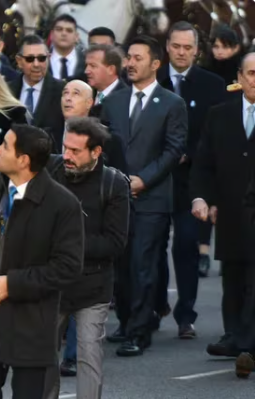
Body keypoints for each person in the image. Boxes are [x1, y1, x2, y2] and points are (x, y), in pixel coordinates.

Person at [0, 124, 84, 399]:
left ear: (24, 160)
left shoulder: (63, 204)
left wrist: (12, 284)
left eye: (5, 146)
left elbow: (68, 267)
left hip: (31, 321)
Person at [100, 36, 187, 357]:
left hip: (152, 199)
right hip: (116, 198)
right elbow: (105, 147)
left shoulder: (171, 103)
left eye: (138, 58)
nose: (131, 63)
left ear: (155, 63)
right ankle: (126, 321)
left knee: (143, 264)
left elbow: (173, 149)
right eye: (129, 58)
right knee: (121, 266)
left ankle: (139, 330)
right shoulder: (113, 102)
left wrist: (143, 180)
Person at [44, 117, 130, 399]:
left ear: (96, 152)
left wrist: (66, 245)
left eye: (75, 151)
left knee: (89, 357)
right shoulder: (49, 169)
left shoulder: (114, 183)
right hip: (51, 284)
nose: (66, 155)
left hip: (92, 285)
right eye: (65, 148)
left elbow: (115, 243)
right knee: (43, 358)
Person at [155, 22, 227, 338]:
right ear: (167, 47)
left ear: (197, 50)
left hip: (192, 182)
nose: (182, 52)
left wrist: (190, 156)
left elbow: (217, 134)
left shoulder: (212, 84)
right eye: (176, 46)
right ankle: (155, 306)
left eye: (188, 47)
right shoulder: (153, 78)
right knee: (151, 247)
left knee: (186, 245)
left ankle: (186, 315)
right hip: (154, 179)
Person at [190, 51, 254, 361]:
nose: (256, 80)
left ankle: (248, 340)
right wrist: (202, 197)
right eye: (251, 73)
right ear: (240, 79)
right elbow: (203, 163)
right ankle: (234, 336)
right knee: (233, 277)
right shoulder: (219, 114)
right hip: (229, 213)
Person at [10, 35, 66, 151]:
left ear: (48, 58)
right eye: (30, 59)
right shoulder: (7, 90)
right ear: (19, 61)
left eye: (41, 58)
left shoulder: (63, 91)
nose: (36, 64)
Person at [61, 79, 126, 173]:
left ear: (89, 103)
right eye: (65, 93)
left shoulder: (108, 139)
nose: (68, 98)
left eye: (76, 93)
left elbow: (121, 180)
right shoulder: (48, 133)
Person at [85, 44, 127, 117]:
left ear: (111, 69)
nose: (86, 71)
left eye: (93, 66)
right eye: (86, 65)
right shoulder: (85, 92)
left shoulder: (126, 100)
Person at [49, 15, 85, 81]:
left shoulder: (86, 62)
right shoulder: (41, 59)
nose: (64, 33)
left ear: (76, 37)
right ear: (51, 35)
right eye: (59, 29)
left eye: (69, 30)